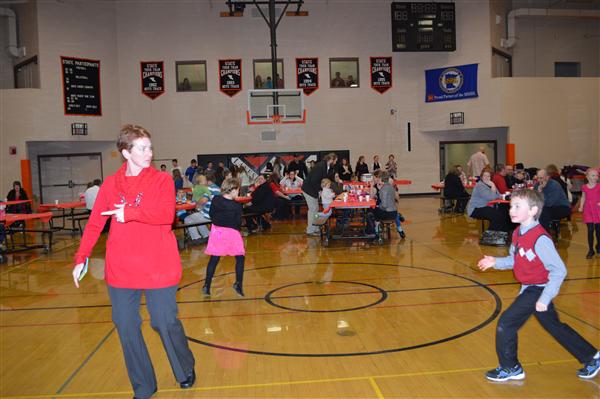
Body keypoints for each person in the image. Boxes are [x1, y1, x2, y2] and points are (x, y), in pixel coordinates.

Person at [71, 124, 196, 398]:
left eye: (150, 147)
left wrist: (131, 212)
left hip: (158, 265)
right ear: (126, 152)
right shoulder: (111, 185)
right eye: (142, 148)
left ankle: (185, 366)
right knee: (125, 325)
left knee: (163, 322)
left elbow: (166, 215)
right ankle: (143, 385)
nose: (149, 153)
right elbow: (94, 224)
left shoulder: (161, 180)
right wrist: (81, 257)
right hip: (121, 267)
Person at [477, 189, 600, 382]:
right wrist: (496, 262)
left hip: (539, 288)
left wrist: (545, 297)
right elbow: (515, 259)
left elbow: (559, 271)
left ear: (533, 210)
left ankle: (511, 368)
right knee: (555, 327)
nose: (511, 210)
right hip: (530, 288)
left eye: (518, 206)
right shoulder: (518, 233)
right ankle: (592, 357)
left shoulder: (540, 239)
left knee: (506, 324)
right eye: (511, 206)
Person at [202, 177, 246, 297]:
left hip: (217, 232)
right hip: (232, 233)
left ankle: (207, 285)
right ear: (231, 190)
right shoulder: (237, 206)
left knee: (214, 259)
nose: (238, 192)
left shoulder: (216, 199)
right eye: (237, 190)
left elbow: (211, 214)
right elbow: (238, 222)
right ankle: (239, 284)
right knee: (240, 258)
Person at [467, 169, 510, 240]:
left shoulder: (490, 184)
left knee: (504, 212)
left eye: (488, 176)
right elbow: (491, 197)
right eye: (484, 176)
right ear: (481, 176)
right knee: (496, 215)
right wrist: (493, 186)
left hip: (486, 207)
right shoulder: (480, 185)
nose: (486, 178)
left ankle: (503, 234)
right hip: (476, 209)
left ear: (491, 177)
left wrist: (504, 196)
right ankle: (488, 238)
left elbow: (498, 195)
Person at [302, 153, 338, 236]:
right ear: (331, 159)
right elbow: (314, 181)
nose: (335, 163)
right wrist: (321, 190)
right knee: (313, 210)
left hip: (313, 189)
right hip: (309, 190)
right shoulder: (321, 166)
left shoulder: (326, 166)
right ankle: (310, 230)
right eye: (335, 161)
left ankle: (316, 227)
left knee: (315, 209)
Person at [184, 171, 219, 245]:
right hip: (215, 215)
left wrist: (196, 202)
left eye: (205, 180)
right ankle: (207, 235)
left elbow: (203, 201)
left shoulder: (209, 188)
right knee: (197, 217)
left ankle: (196, 238)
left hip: (208, 215)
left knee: (187, 219)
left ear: (208, 181)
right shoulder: (217, 188)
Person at [578, 168, 600, 259]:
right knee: (590, 230)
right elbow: (583, 197)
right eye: (593, 175)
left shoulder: (599, 186)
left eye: (596, 176)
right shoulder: (584, 187)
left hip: (597, 209)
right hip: (588, 210)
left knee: (598, 231)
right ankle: (591, 250)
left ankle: (598, 246)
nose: (595, 177)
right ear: (587, 177)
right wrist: (581, 206)